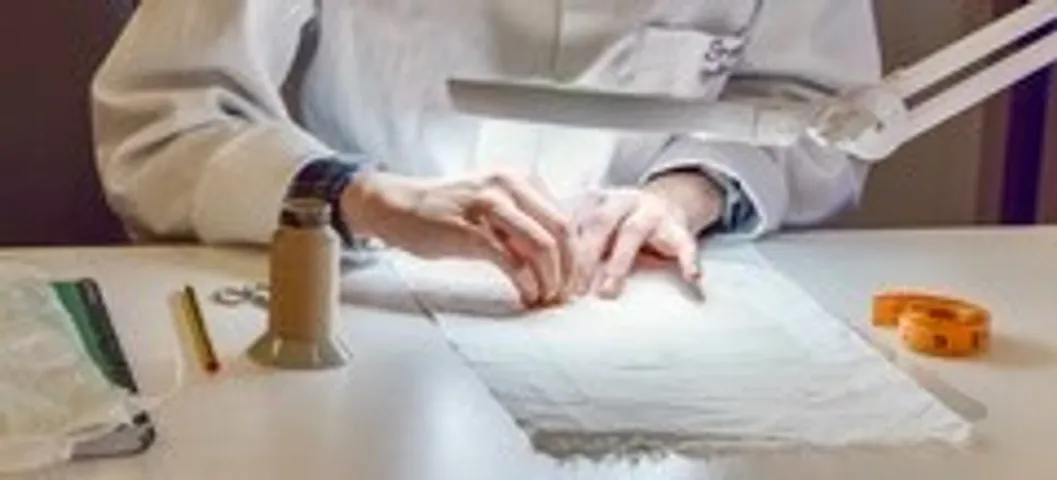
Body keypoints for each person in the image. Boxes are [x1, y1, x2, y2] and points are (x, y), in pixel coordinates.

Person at [91, 0, 882, 307]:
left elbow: (814, 113)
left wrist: (685, 191)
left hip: (631, 310)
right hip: (357, 306)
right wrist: (369, 197)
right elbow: (165, 120)